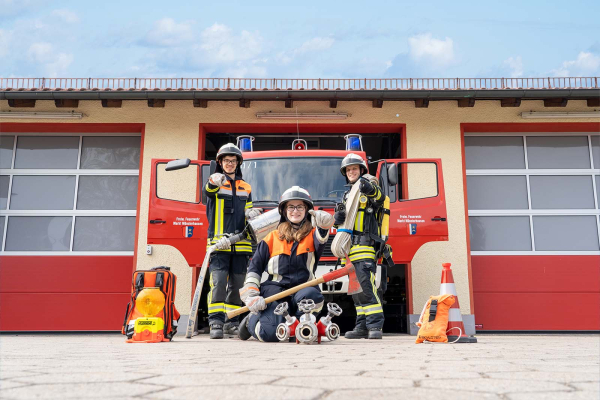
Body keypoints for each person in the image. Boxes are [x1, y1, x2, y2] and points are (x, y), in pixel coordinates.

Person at [237, 186, 335, 342]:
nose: (295, 211)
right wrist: (252, 295)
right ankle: (251, 321)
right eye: (291, 207)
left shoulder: (313, 235)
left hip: (304, 290)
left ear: (307, 210)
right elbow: (254, 269)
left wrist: (324, 227)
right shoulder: (271, 237)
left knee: (311, 297)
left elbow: (321, 238)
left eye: (300, 207)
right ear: (283, 210)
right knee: (270, 334)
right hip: (275, 292)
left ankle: (298, 328)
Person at [204, 143, 262, 339]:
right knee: (218, 283)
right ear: (220, 162)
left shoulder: (246, 186)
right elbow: (209, 190)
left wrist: (251, 213)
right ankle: (216, 322)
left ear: (238, 163)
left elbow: (249, 211)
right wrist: (215, 180)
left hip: (242, 244)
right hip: (219, 244)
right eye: (226, 161)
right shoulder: (215, 182)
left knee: (238, 285)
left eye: (233, 161)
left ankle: (232, 321)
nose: (230, 164)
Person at [334, 153, 386, 339]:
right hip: (349, 249)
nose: (351, 172)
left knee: (367, 287)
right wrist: (336, 219)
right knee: (356, 291)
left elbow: (380, 197)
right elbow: (340, 226)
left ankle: (375, 327)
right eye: (348, 170)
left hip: (365, 246)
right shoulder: (348, 195)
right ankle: (361, 327)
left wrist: (368, 187)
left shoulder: (368, 187)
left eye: (354, 168)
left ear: (362, 170)